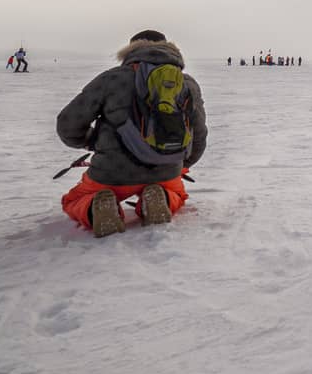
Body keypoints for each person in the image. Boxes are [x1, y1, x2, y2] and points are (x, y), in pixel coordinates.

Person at [55, 29, 207, 238]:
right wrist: (182, 164)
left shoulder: (112, 78)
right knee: (176, 193)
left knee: (73, 200)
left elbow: (68, 124)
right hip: (166, 170)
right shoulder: (187, 83)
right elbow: (198, 134)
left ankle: (94, 207)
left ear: (130, 50)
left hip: (112, 172)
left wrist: (91, 142)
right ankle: (160, 196)